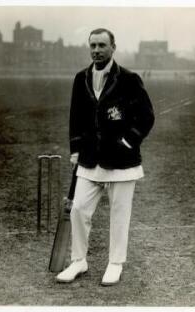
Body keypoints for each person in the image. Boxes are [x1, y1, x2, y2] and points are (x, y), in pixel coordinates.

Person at [55, 28, 155, 286]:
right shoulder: (81, 78)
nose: (97, 50)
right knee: (78, 209)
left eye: (102, 45)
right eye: (93, 46)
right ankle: (79, 261)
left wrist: (128, 141)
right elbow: (75, 116)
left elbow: (146, 116)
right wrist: (75, 149)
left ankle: (115, 263)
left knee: (120, 214)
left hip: (122, 161)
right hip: (89, 159)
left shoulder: (130, 79)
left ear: (113, 47)